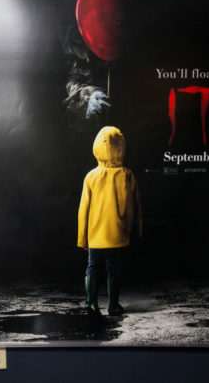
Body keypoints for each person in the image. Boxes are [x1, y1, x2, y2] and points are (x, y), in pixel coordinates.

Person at [77, 126, 141, 318]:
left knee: (93, 267)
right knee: (115, 269)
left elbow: (83, 210)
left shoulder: (91, 176)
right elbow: (136, 206)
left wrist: (82, 239)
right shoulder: (128, 175)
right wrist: (136, 232)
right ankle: (113, 306)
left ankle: (91, 304)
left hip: (96, 236)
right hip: (119, 235)